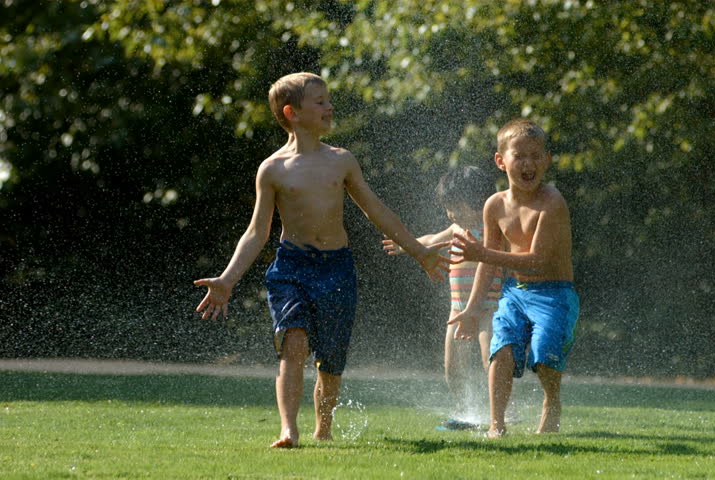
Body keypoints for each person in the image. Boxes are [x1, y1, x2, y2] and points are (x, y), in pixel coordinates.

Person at [193, 72, 450, 448]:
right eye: (320, 102)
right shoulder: (273, 169)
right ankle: (288, 429)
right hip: (291, 267)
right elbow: (256, 232)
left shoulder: (341, 161)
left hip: (336, 267)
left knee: (330, 358)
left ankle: (323, 427)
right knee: (292, 343)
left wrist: (420, 251)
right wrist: (228, 279)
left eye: (328, 100)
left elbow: (376, 211)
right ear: (292, 113)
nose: (330, 107)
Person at [448, 118, 579, 438]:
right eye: (519, 156)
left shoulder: (552, 202)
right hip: (514, 291)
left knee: (543, 351)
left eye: (536, 156)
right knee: (501, 349)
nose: (528, 163)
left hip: (554, 292)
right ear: (500, 160)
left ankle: (551, 401)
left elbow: (536, 260)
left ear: (547, 161)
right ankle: (497, 424)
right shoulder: (494, 205)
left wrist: (482, 254)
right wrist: (471, 308)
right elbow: (488, 266)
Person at [382, 166, 502, 429]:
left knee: (490, 360)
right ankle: (463, 412)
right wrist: (407, 245)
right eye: (448, 208)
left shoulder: (494, 229)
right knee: (453, 366)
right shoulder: (457, 228)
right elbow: (431, 240)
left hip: (489, 308)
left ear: (479, 202)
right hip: (457, 309)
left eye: (457, 207)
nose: (452, 214)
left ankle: (501, 411)